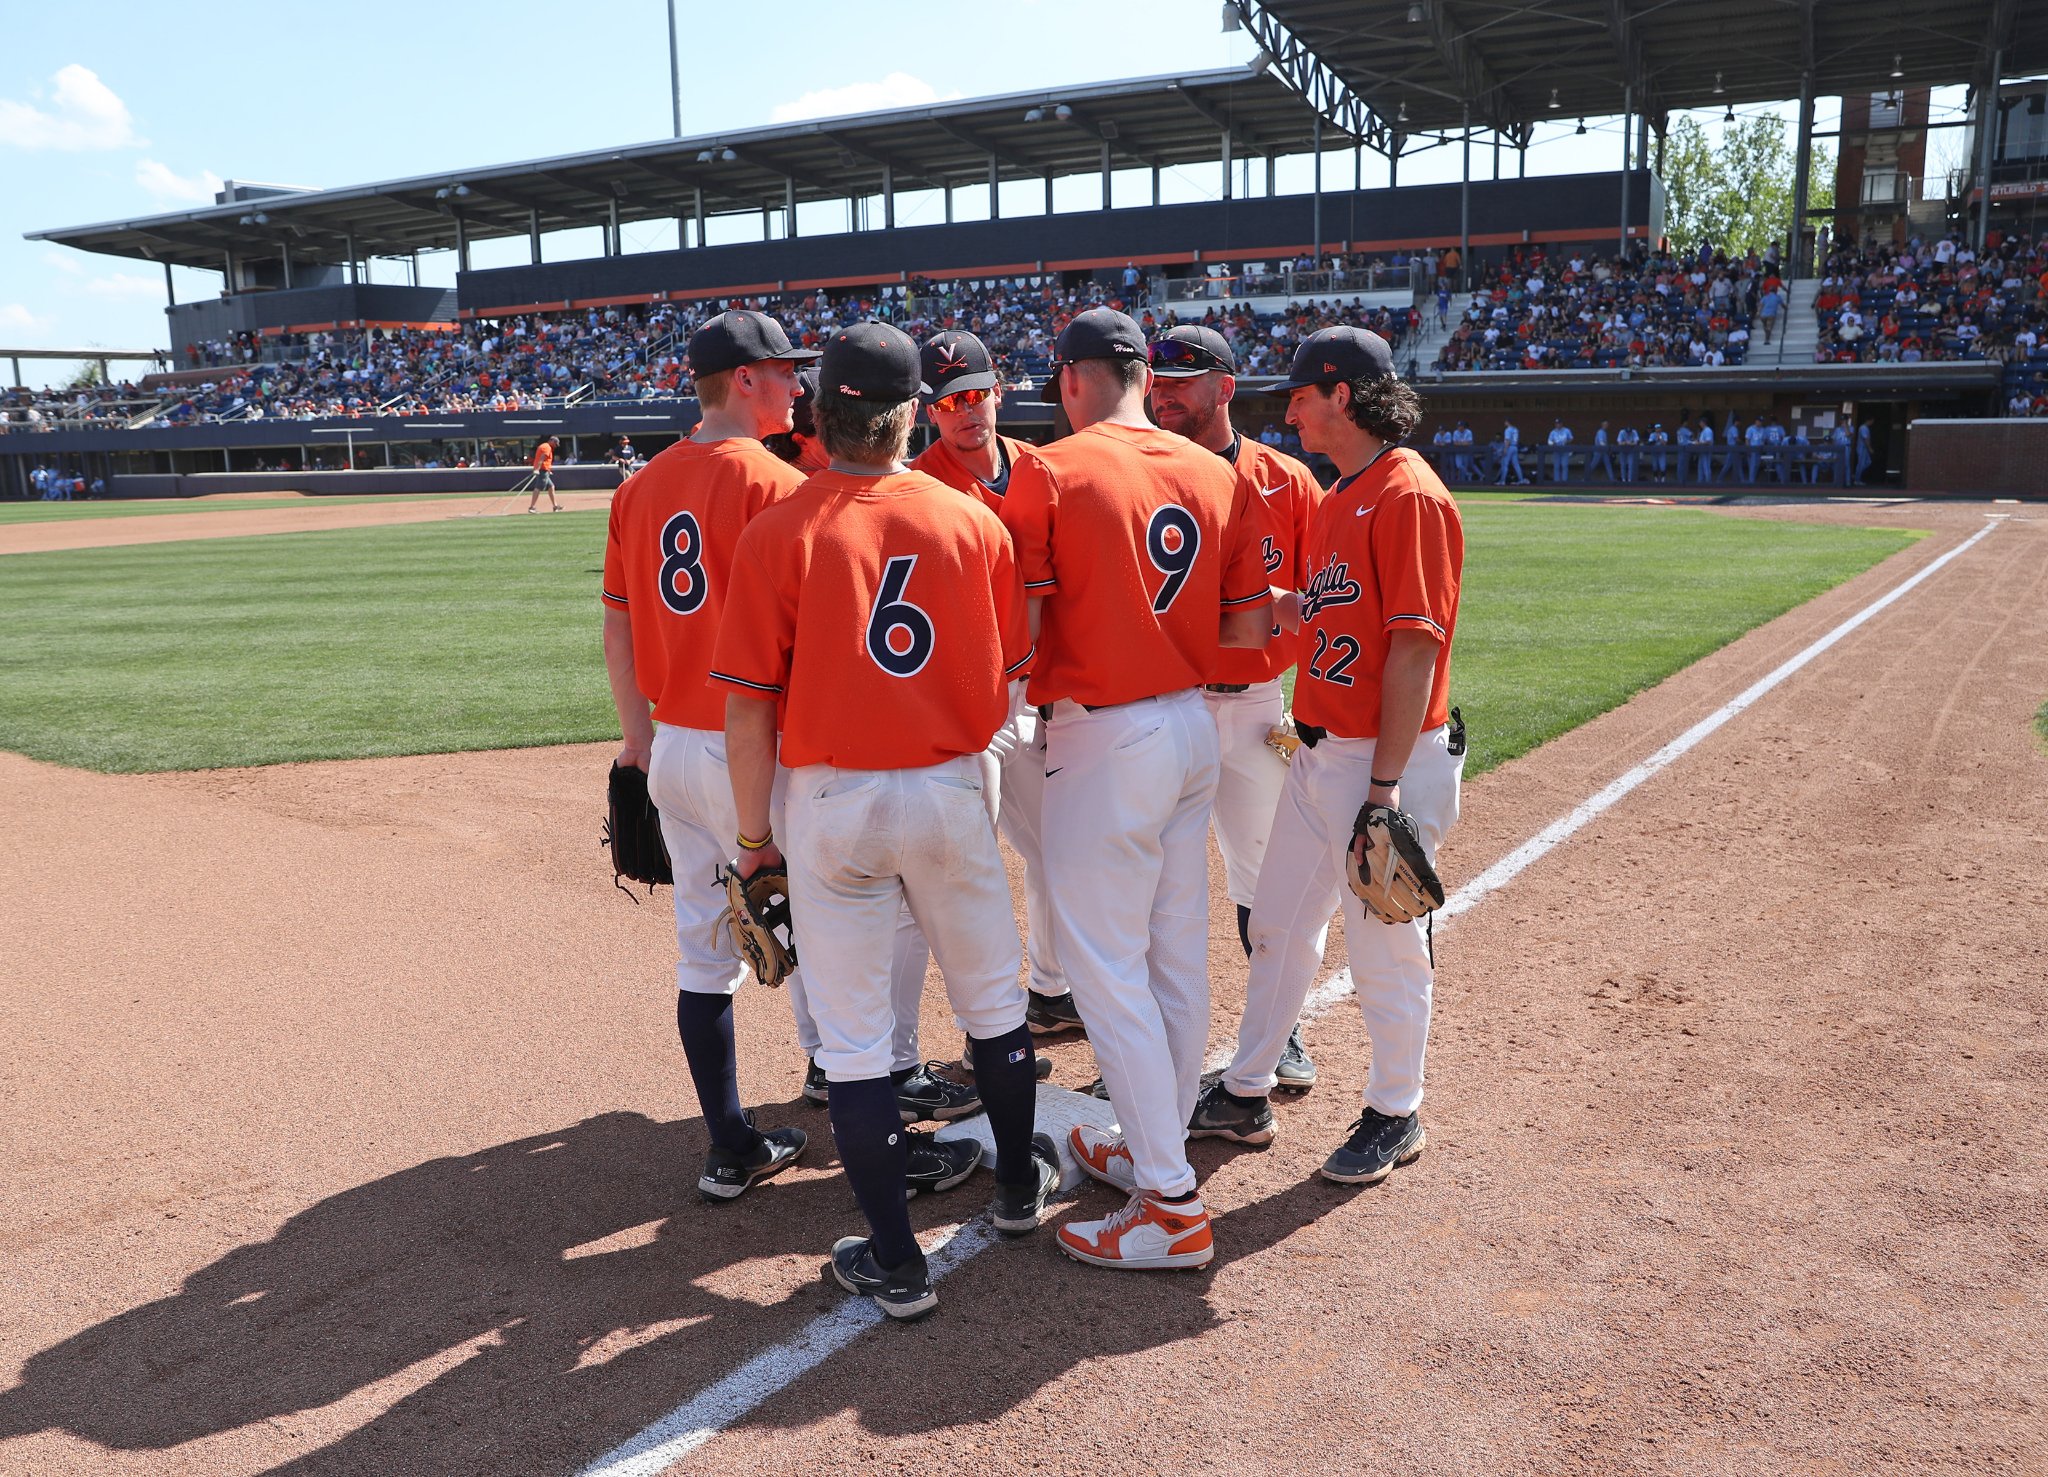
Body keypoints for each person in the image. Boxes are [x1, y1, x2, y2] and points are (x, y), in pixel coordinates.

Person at [712, 320, 1057, 1320]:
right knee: (994, 1007)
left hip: (831, 799)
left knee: (857, 1046)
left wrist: (749, 841)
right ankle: (1015, 1190)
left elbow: (746, 707)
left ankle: (897, 1263)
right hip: (949, 783)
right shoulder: (974, 523)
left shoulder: (779, 527)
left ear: (820, 414)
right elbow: (1000, 685)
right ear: (912, 416)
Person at [1006, 307, 1273, 1270]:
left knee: (1107, 967)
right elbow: (1248, 630)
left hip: (1103, 735)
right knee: (1172, 957)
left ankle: (1170, 1201)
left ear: (1074, 378)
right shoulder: (1215, 470)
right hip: (1194, 722)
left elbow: (1021, 629)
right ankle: (1147, 1143)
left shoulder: (1049, 467)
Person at [1188, 325, 1466, 1187]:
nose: (1290, 409)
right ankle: (1246, 1087)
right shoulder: (1343, 491)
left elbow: (1414, 651)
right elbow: (1321, 613)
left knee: (1385, 942)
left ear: (1343, 394)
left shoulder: (1407, 494)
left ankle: (1396, 1107)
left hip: (1390, 760)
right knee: (1277, 923)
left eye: (1302, 394)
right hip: (1321, 754)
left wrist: (1382, 791)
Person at [599, 310, 818, 1204]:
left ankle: (729, 1145)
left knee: (704, 950)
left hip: (672, 748)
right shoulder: (779, 485)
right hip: (755, 749)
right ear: (743, 381)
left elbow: (616, 624)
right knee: (825, 927)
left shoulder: (640, 486)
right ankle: (853, 1093)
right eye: (784, 371)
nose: (799, 385)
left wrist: (638, 737)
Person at [1147, 322, 1323, 1091]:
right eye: (1157, 380)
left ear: (1225, 387)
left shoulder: (1288, 481)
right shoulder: (1144, 472)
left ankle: (1275, 1035)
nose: (1165, 393)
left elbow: (1326, 605)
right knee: (1155, 879)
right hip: (1165, 702)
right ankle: (1154, 1032)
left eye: (1183, 380)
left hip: (1254, 704)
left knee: (1264, 880)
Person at [907, 330, 1071, 1040]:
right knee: (960, 870)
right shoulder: (920, 484)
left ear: (999, 391)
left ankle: (1049, 990)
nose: (967, 412)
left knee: (1054, 849)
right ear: (930, 412)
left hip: (1044, 695)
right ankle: (981, 1032)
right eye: (951, 403)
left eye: (976, 394)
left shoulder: (1041, 469)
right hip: (966, 707)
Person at [527, 436, 561, 512]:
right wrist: (537, 469)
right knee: (538, 487)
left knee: (551, 486)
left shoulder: (544, 446)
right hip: (542, 470)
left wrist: (548, 470)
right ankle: (532, 507)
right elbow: (541, 459)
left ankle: (555, 506)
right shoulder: (547, 447)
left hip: (544, 470)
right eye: (555, 444)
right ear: (551, 441)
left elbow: (544, 460)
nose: (555, 446)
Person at [1496, 416, 1529, 485]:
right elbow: (1517, 440)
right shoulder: (1515, 429)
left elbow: (1507, 440)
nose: (1504, 423)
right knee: (1516, 464)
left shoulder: (1508, 430)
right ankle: (1521, 479)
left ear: (1508, 422)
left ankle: (1502, 481)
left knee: (1505, 464)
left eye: (1505, 421)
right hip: (1515, 447)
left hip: (1509, 447)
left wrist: (1505, 449)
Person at [1546, 419, 1574, 485]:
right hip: (1556, 450)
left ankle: (1564, 481)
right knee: (1556, 466)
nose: (1558, 424)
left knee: (1564, 465)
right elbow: (1549, 441)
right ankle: (1556, 482)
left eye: (1559, 423)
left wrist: (1567, 441)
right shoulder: (1553, 432)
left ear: (1562, 424)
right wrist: (1553, 443)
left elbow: (1571, 438)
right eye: (1556, 423)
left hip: (1565, 450)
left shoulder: (1566, 430)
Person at [1675, 419, 1696, 485]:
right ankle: (1683, 479)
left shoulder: (1678, 430)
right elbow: (1692, 435)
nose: (1687, 424)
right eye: (1686, 422)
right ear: (1684, 423)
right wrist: (1693, 440)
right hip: (1685, 447)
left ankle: (1680, 479)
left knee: (1680, 464)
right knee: (1684, 465)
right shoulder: (1684, 430)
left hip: (1680, 447)